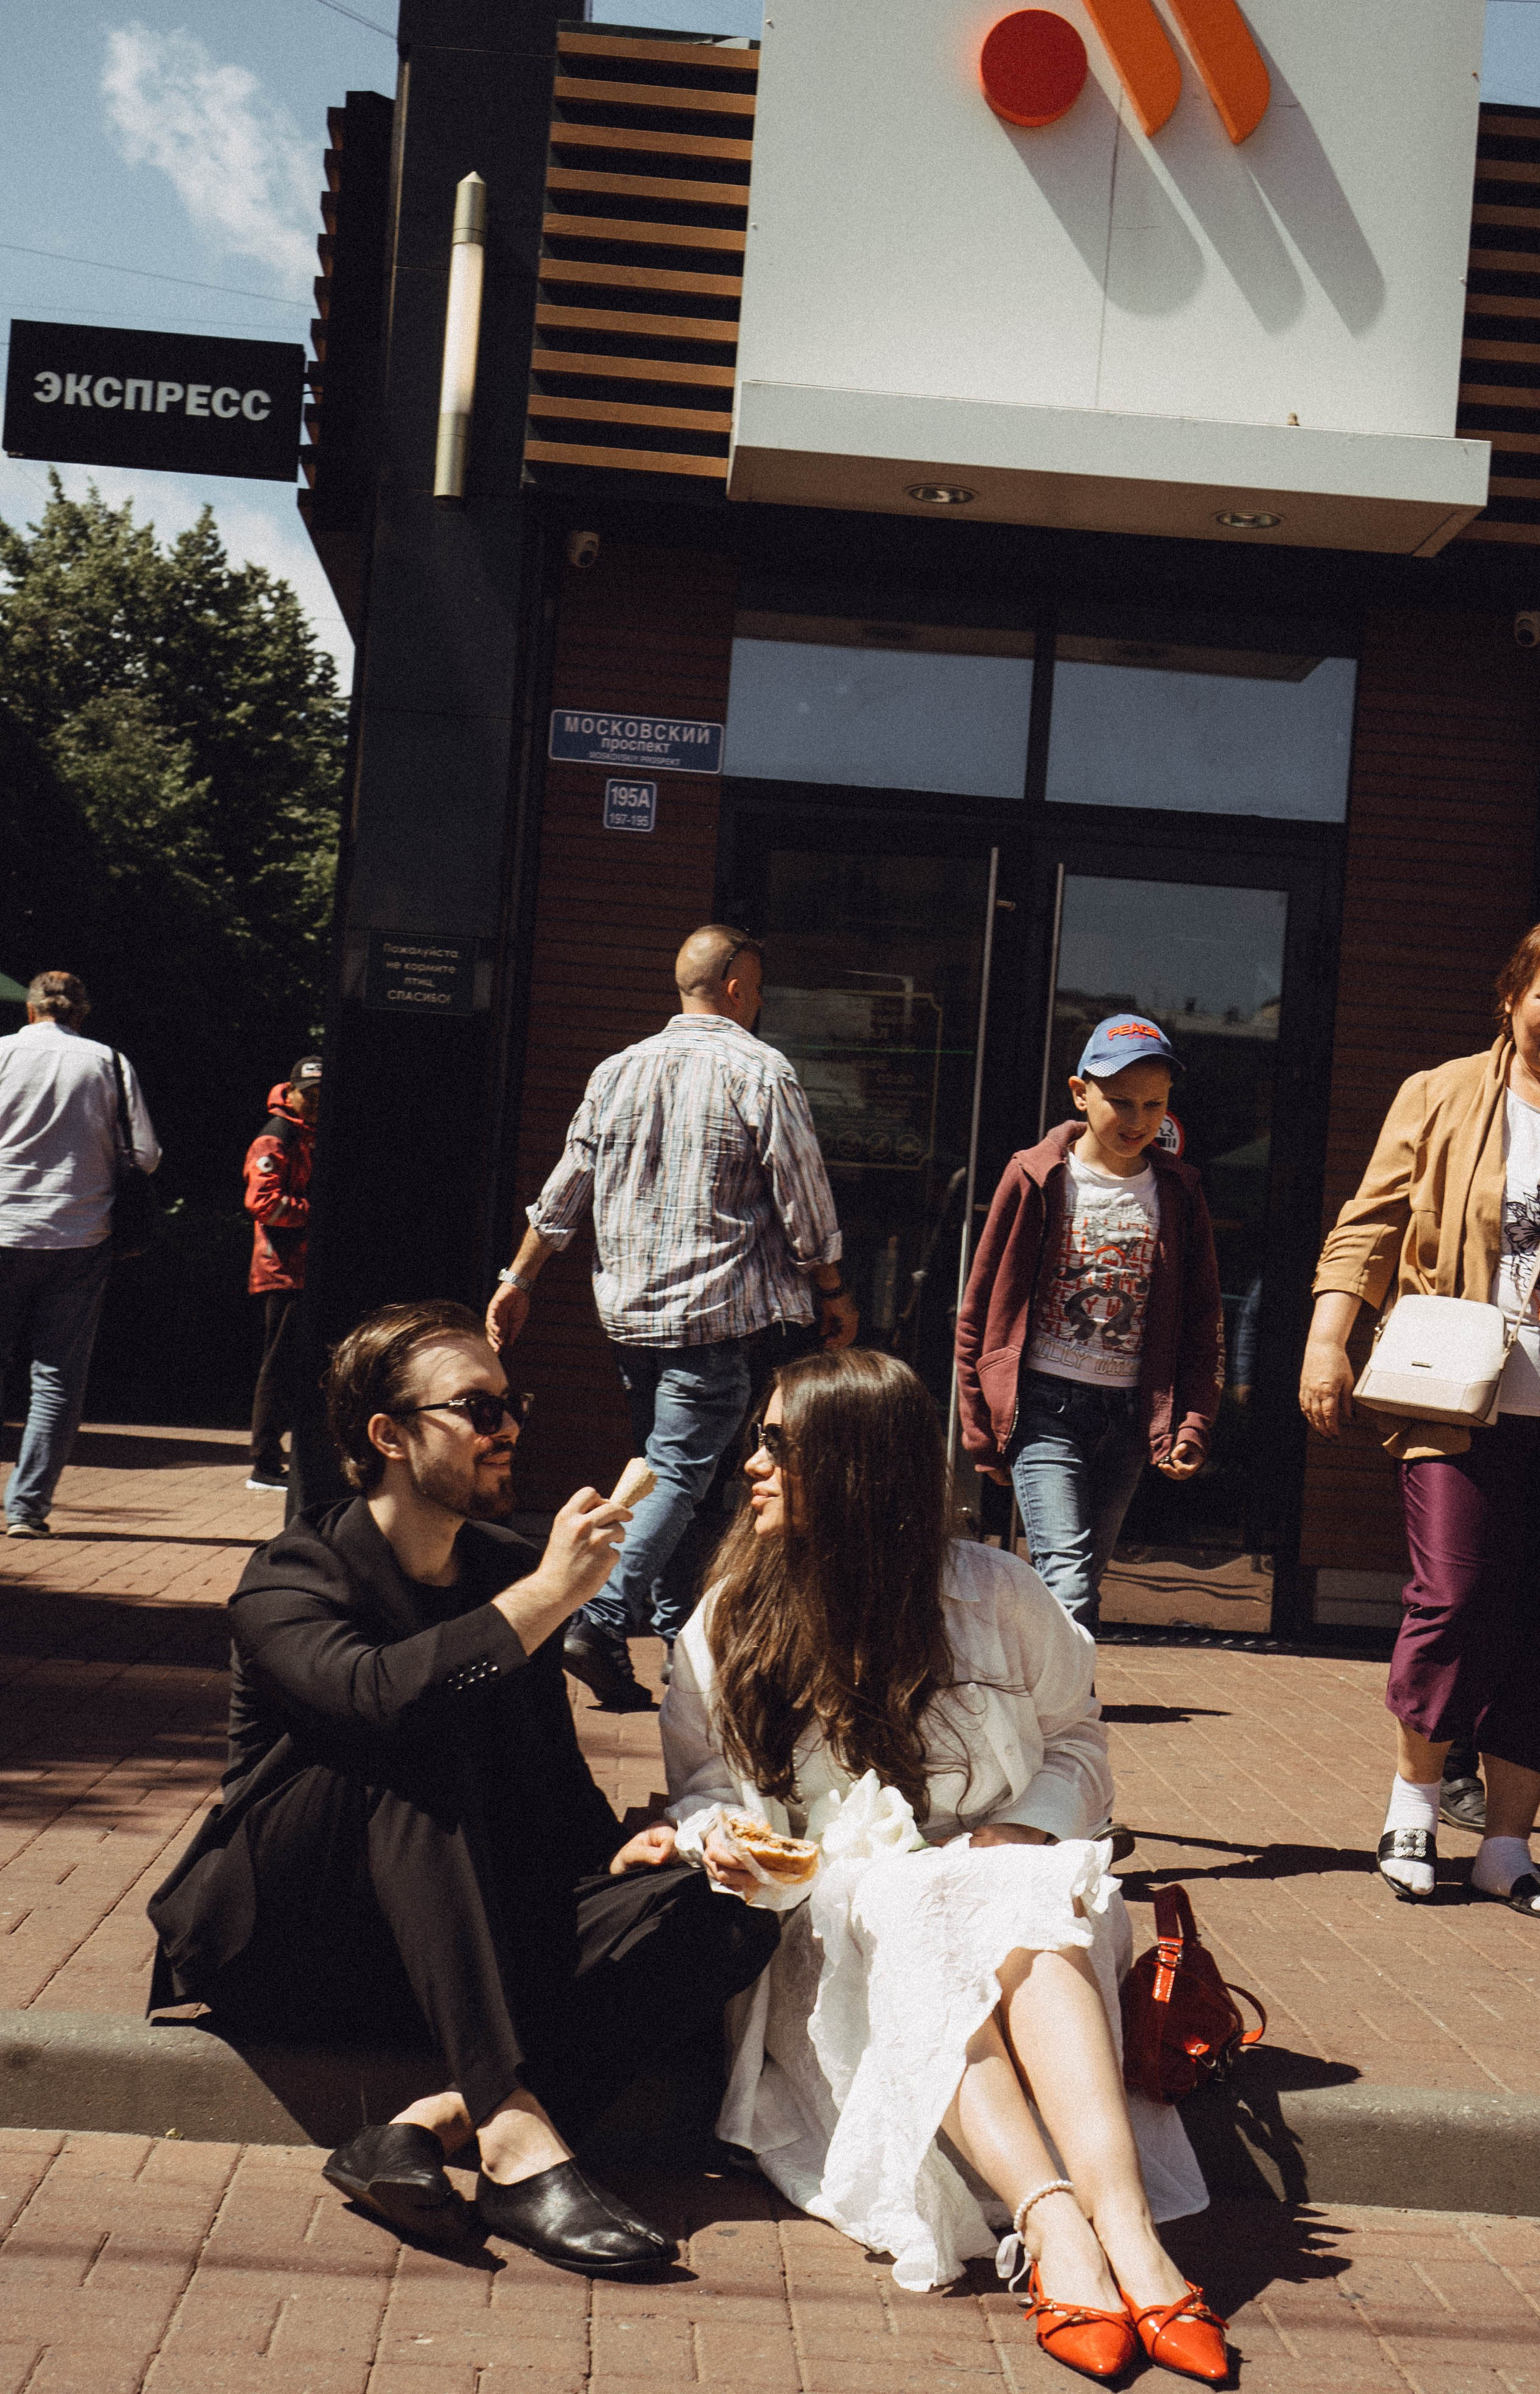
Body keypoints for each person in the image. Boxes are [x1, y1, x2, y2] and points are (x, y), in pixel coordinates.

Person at [145, 1298, 777, 2272]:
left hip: (450, 1959)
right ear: (390, 1436)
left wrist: (620, 1857)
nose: (511, 1427)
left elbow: (545, 1784)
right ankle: (518, 2137)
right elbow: (374, 1699)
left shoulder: (503, 1568)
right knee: (404, 1741)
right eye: (479, 1409)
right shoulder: (294, 1572)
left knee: (723, 1914)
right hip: (293, 1946)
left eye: (510, 1402)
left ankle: (419, 2133)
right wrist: (545, 1602)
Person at [655, 1350, 1224, 2385]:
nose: (752, 1465)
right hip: (839, 1932)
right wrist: (724, 1835)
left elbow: (1079, 1748)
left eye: (780, 1444)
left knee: (1013, 1887)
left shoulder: (997, 1593)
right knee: (922, 1902)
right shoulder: (729, 1620)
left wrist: (1019, 1832)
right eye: (759, 1440)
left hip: (1016, 1899)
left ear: (856, 1464)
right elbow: (699, 1783)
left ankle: (1128, 2234)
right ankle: (1062, 2232)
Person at [1301, 915, 1540, 1918]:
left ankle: (1507, 1846)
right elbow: (1370, 1226)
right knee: (1456, 1598)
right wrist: (1326, 1340)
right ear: (1512, 997)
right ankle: (1413, 1805)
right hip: (1458, 1404)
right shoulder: (1438, 1095)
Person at [486, 925, 859, 1712]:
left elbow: (565, 1188)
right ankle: (599, 1617)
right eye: (755, 989)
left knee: (674, 1474)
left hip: (630, 1319)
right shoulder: (760, 1070)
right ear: (732, 987)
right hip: (717, 1317)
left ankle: (679, 1645)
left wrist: (518, 1276)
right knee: (685, 1473)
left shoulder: (617, 1070)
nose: (758, 1004)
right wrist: (832, 1288)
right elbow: (802, 1195)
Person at [955, 1015, 1224, 1635]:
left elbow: (1202, 1319)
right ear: (1080, 1093)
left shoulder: (1178, 1191)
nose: (1136, 1120)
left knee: (1078, 1577)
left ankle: (1035, 1687)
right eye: (1120, 1102)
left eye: (1153, 1104)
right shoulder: (1036, 1176)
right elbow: (978, 1311)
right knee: (1068, 1578)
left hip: (1128, 1417)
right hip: (1043, 1409)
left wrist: (1192, 1421)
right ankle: (1065, 1710)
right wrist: (979, 1428)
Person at [0, 971, 160, 1537]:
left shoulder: (3, 1055)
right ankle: (26, 1509)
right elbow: (143, 1153)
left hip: (2, 1224)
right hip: (80, 1235)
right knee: (57, 1380)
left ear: (30, 1010)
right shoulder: (108, 1063)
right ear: (81, 1013)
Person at [242, 1055, 320, 1493]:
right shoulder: (275, 1138)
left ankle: (291, 1457)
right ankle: (264, 1464)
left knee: (300, 1363)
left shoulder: (310, 1135)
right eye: (309, 1094)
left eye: (323, 1095)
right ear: (290, 1092)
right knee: (279, 1365)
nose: (316, 1102)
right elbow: (264, 1204)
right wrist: (318, 1213)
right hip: (282, 1269)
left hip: (306, 1268)